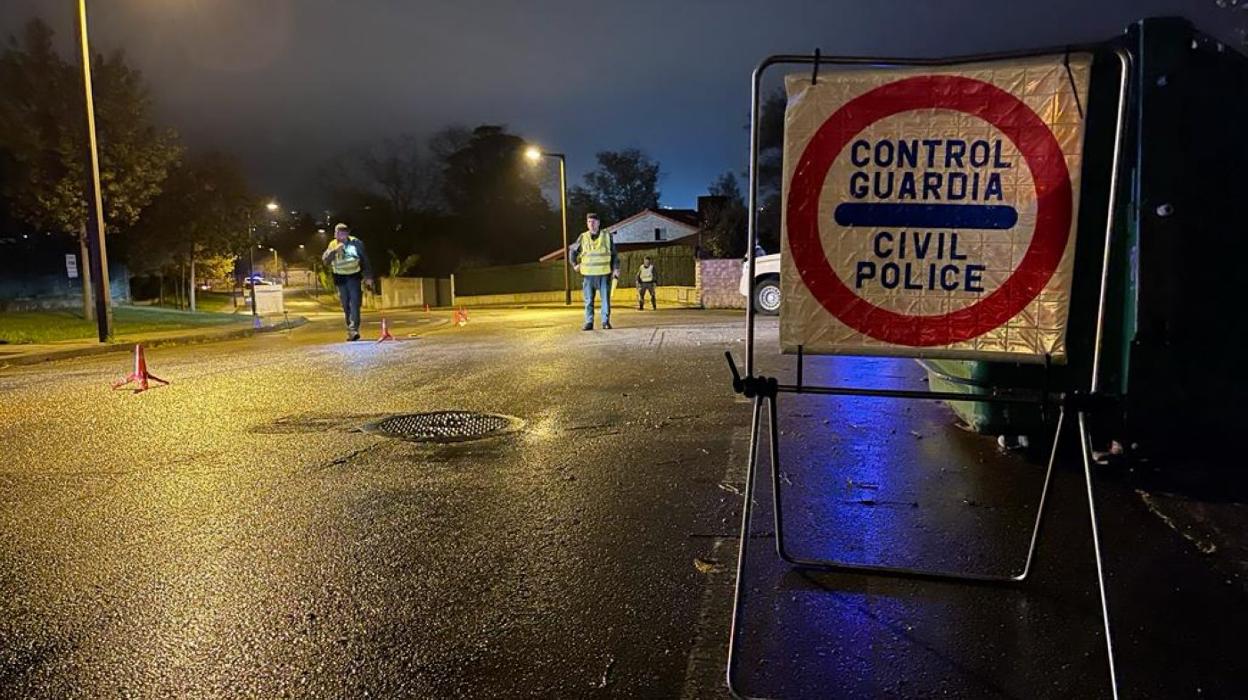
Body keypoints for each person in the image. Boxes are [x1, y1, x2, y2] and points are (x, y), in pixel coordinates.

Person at [321, 223, 375, 341]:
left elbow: (365, 260)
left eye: (343, 233)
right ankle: (350, 328)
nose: (340, 236)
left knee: (355, 303)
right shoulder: (333, 245)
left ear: (347, 234)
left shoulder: (356, 243)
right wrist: (334, 251)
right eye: (338, 233)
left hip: (354, 276)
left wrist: (368, 277)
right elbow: (325, 261)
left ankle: (353, 329)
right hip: (340, 278)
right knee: (346, 305)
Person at [569, 212, 619, 330]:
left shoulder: (607, 236)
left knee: (605, 300)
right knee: (588, 300)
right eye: (589, 222)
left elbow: (614, 254)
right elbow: (572, 250)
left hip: (604, 274)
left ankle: (605, 322)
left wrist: (616, 268)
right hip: (588, 275)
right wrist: (574, 264)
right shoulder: (582, 237)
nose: (591, 224)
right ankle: (589, 322)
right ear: (587, 223)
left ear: (598, 223)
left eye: (594, 221)